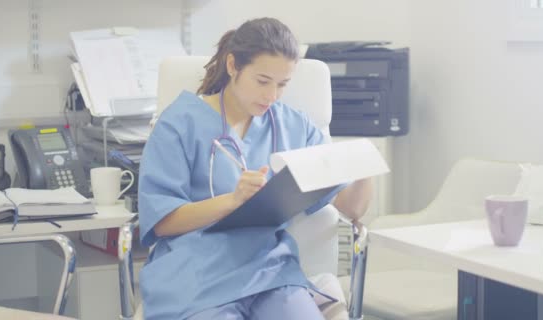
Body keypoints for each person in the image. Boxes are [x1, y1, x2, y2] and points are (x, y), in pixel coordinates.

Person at [138, 17, 373, 320]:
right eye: (262, 81)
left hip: (269, 270)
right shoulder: (179, 123)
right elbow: (162, 222)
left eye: (282, 84)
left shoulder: (294, 126)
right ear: (233, 65)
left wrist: (365, 165)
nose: (271, 96)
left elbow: (352, 208)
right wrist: (232, 201)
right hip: (195, 272)